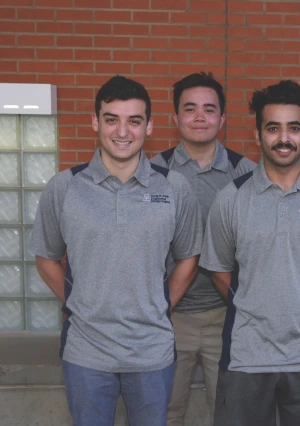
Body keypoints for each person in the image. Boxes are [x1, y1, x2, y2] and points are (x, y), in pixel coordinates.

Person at [31, 75, 203, 426]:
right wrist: (74, 301)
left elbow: (189, 257)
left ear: (149, 126)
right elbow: (45, 257)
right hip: (86, 353)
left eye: (134, 121)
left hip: (151, 352)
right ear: (95, 121)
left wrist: (162, 304)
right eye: (111, 119)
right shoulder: (65, 187)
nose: (122, 131)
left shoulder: (173, 187)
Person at [199, 80, 300, 426]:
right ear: (258, 135)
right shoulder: (231, 198)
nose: (284, 138)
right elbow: (218, 271)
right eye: (273, 128)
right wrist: (254, 304)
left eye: (293, 128)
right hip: (246, 356)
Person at [150, 72, 255, 426]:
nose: (199, 117)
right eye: (190, 108)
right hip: (167, 318)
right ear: (175, 117)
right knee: (165, 411)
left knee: (228, 413)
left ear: (222, 119)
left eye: (209, 109)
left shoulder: (248, 175)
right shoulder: (151, 173)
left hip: (227, 317)